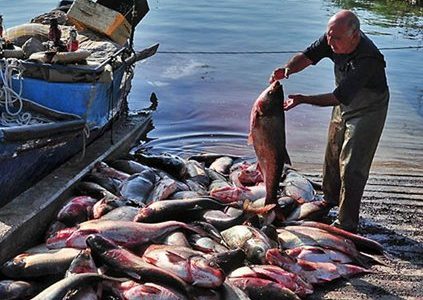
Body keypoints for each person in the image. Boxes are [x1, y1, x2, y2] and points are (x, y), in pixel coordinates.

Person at [269, 10, 389, 233]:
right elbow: (306, 56)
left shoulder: (367, 59)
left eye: (337, 38)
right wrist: (287, 70)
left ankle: (347, 223)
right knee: (332, 153)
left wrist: (303, 99)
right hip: (344, 103)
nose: (330, 42)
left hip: (368, 108)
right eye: (329, 36)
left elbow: (337, 96)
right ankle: (330, 199)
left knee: (352, 165)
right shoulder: (332, 37)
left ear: (355, 35)